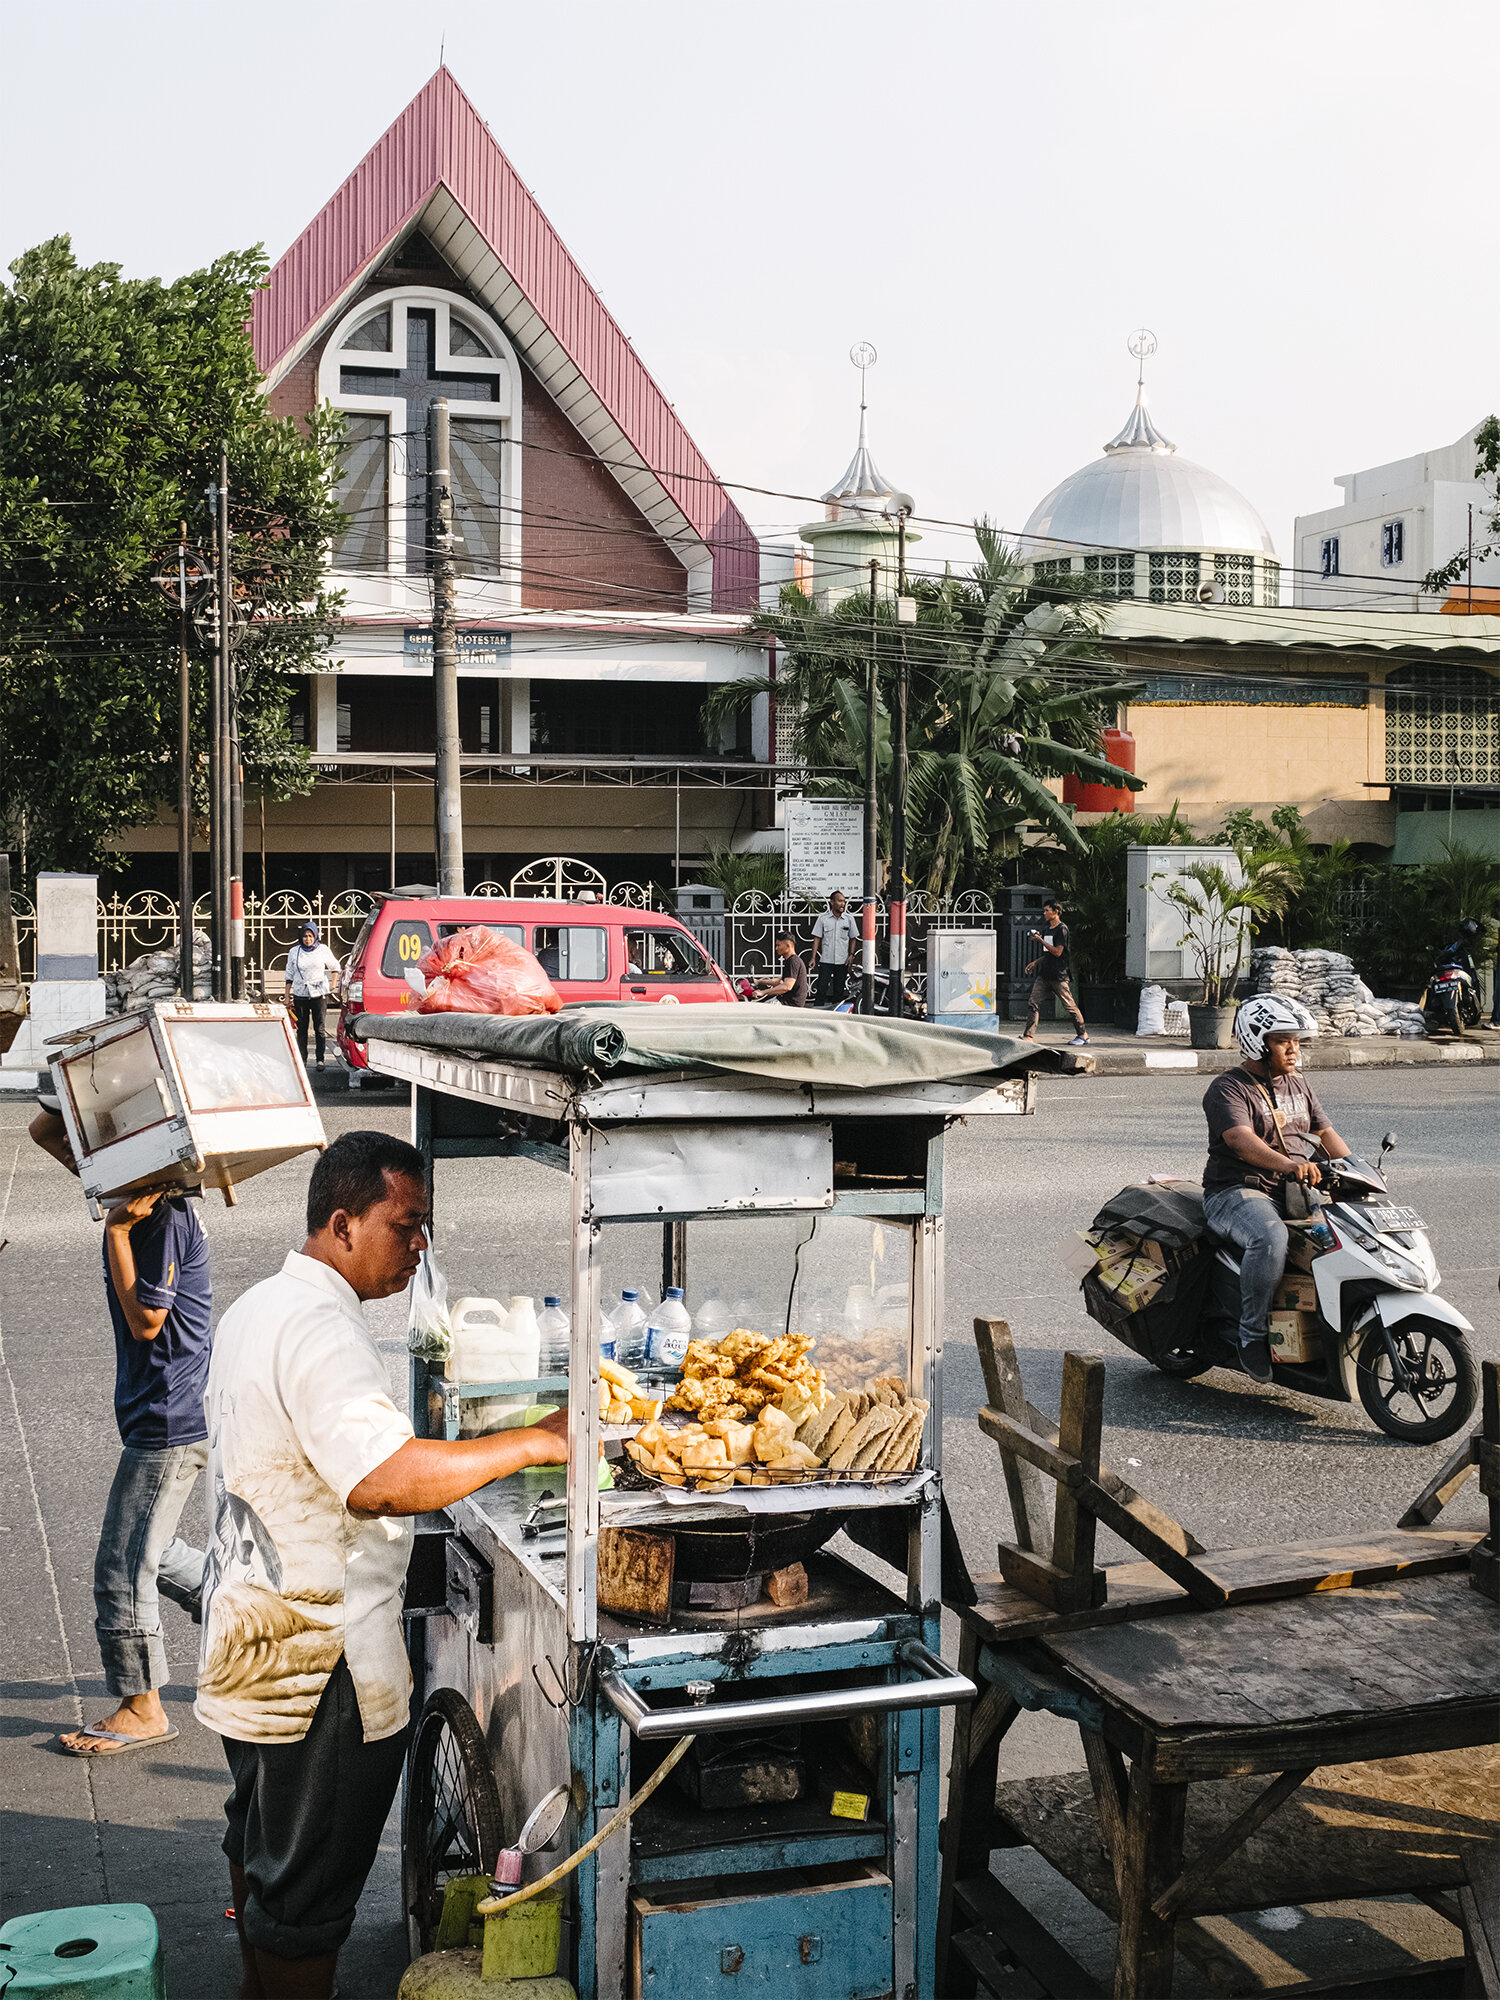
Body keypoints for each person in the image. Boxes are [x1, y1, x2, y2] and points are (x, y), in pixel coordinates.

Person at [197, 1131, 570, 2000]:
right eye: (405, 1226)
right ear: (341, 1223)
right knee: (308, 1896)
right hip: (318, 1662)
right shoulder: (322, 1330)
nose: (419, 1247)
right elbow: (383, 1479)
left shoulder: (259, 1306)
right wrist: (532, 1441)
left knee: (259, 1856)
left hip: (251, 1638)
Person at [29, 1098, 210, 1759]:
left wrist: (113, 1234)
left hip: (169, 1417)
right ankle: (236, 1611)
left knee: (123, 1565)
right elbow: (44, 1129)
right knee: (153, 1552)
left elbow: (148, 1323)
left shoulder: (157, 1216)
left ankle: (143, 1706)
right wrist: (98, 1086)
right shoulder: (135, 1192)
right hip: (162, 1410)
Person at [1200, 997, 1350, 1384]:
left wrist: (1355, 1171)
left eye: (1297, 1041)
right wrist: (1289, 1165)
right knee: (1270, 1236)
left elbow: (1324, 1132)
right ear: (1256, 1041)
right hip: (1235, 1192)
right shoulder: (1228, 1089)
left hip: (1294, 1193)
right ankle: (1250, 1336)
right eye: (1283, 1040)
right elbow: (1240, 1140)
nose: (1293, 1049)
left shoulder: (1299, 1084)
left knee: (1343, 1241)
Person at [1021, 900, 1088, 1046]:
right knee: (1033, 1002)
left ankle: (1082, 1034)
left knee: (1069, 1006)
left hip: (1058, 974)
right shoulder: (1047, 929)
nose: (1044, 913)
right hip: (1044, 974)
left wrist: (1040, 940)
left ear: (1056, 911)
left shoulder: (1062, 929)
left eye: (1047, 910)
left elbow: (1058, 952)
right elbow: (1048, 953)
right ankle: (1028, 1035)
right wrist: (1036, 962)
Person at [285, 922, 342, 1070]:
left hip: (318, 994)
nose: (307, 939)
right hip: (300, 994)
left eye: (310, 936)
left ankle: (320, 1059)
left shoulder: (322, 950)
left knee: (320, 1027)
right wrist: (287, 995)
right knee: (302, 1028)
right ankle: (302, 1059)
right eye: (305, 936)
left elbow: (335, 967)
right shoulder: (294, 952)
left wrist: (333, 984)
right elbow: (289, 975)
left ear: (316, 936)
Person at [808, 890, 858, 1007]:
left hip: (842, 961)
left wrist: (851, 955)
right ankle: (817, 1011)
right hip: (826, 960)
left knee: (839, 991)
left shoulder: (849, 919)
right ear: (832, 902)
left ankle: (837, 1013)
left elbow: (853, 938)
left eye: (844, 902)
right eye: (840, 901)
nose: (843, 904)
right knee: (821, 988)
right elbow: (817, 938)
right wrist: (813, 958)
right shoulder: (823, 918)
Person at [755, 933, 808, 1006]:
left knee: (759, 1010)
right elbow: (780, 981)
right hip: (785, 1000)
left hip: (789, 1003)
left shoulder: (793, 961)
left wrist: (763, 992)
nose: (776, 948)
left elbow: (787, 986)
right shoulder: (792, 960)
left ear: (788, 946)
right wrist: (759, 981)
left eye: (778, 945)